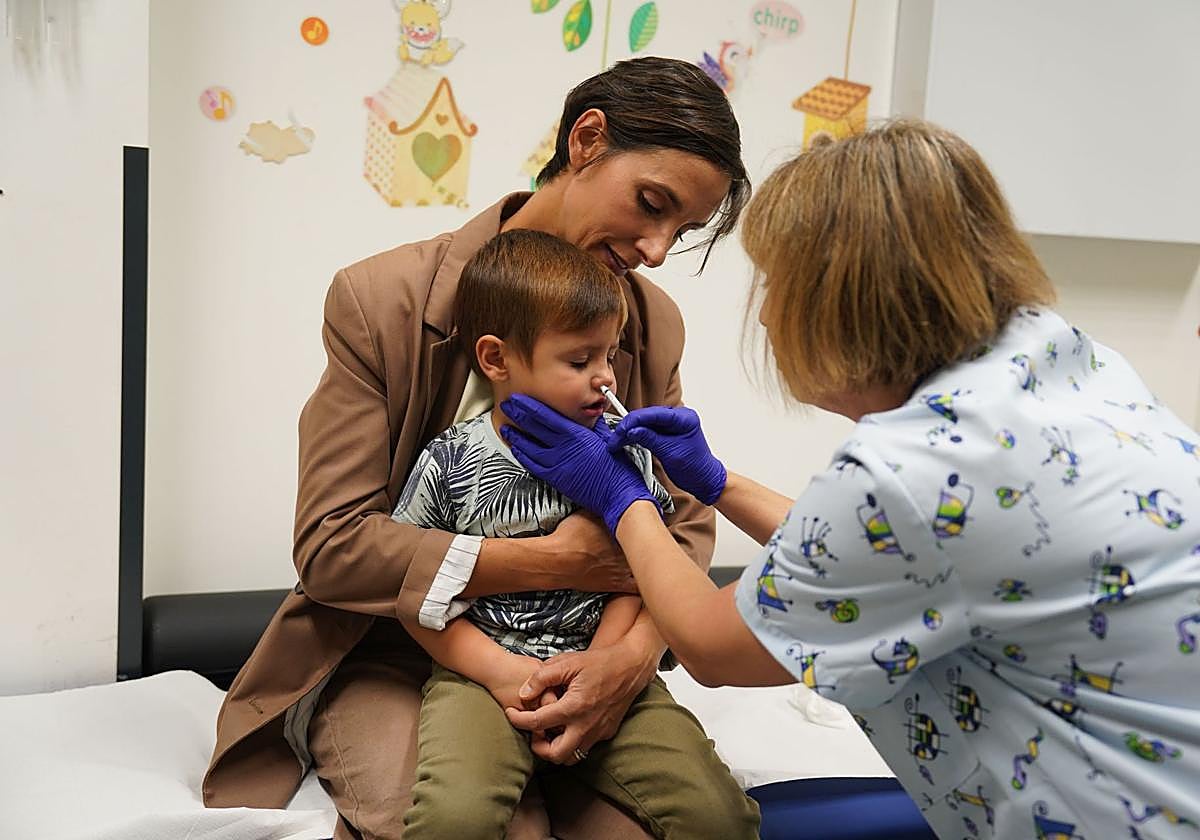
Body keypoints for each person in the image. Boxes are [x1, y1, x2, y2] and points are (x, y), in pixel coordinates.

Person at [500, 119, 1200, 839]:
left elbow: (710, 646)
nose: (767, 314)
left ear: (838, 295)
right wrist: (716, 482)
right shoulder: (1063, 361)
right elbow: (904, 553)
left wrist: (623, 499)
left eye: (775, 285)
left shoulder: (912, 470)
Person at [201, 55, 751, 840]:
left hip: (582, 647)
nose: (658, 249)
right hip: (398, 653)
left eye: (683, 230)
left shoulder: (646, 321)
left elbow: (686, 525)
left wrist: (624, 662)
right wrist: (559, 563)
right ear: (587, 140)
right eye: (651, 205)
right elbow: (335, 548)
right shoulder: (381, 301)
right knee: (488, 827)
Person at [392, 229, 759, 838]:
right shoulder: (450, 460)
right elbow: (418, 597)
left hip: (608, 672)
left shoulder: (626, 458)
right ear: (496, 359)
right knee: (453, 818)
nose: (606, 379)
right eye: (579, 360)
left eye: (609, 356)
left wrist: (604, 663)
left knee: (716, 816)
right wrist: (500, 672)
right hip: (482, 679)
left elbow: (645, 579)